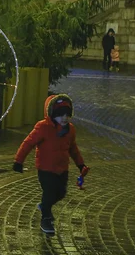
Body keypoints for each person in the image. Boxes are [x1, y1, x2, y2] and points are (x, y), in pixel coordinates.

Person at [12, 94, 86, 235]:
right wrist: (18, 161)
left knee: (61, 193)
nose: (64, 118)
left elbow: (73, 149)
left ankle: (44, 206)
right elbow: (28, 143)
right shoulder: (43, 127)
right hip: (46, 168)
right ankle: (46, 218)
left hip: (62, 168)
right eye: (60, 115)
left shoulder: (70, 130)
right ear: (52, 114)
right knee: (49, 193)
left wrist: (80, 164)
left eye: (67, 114)